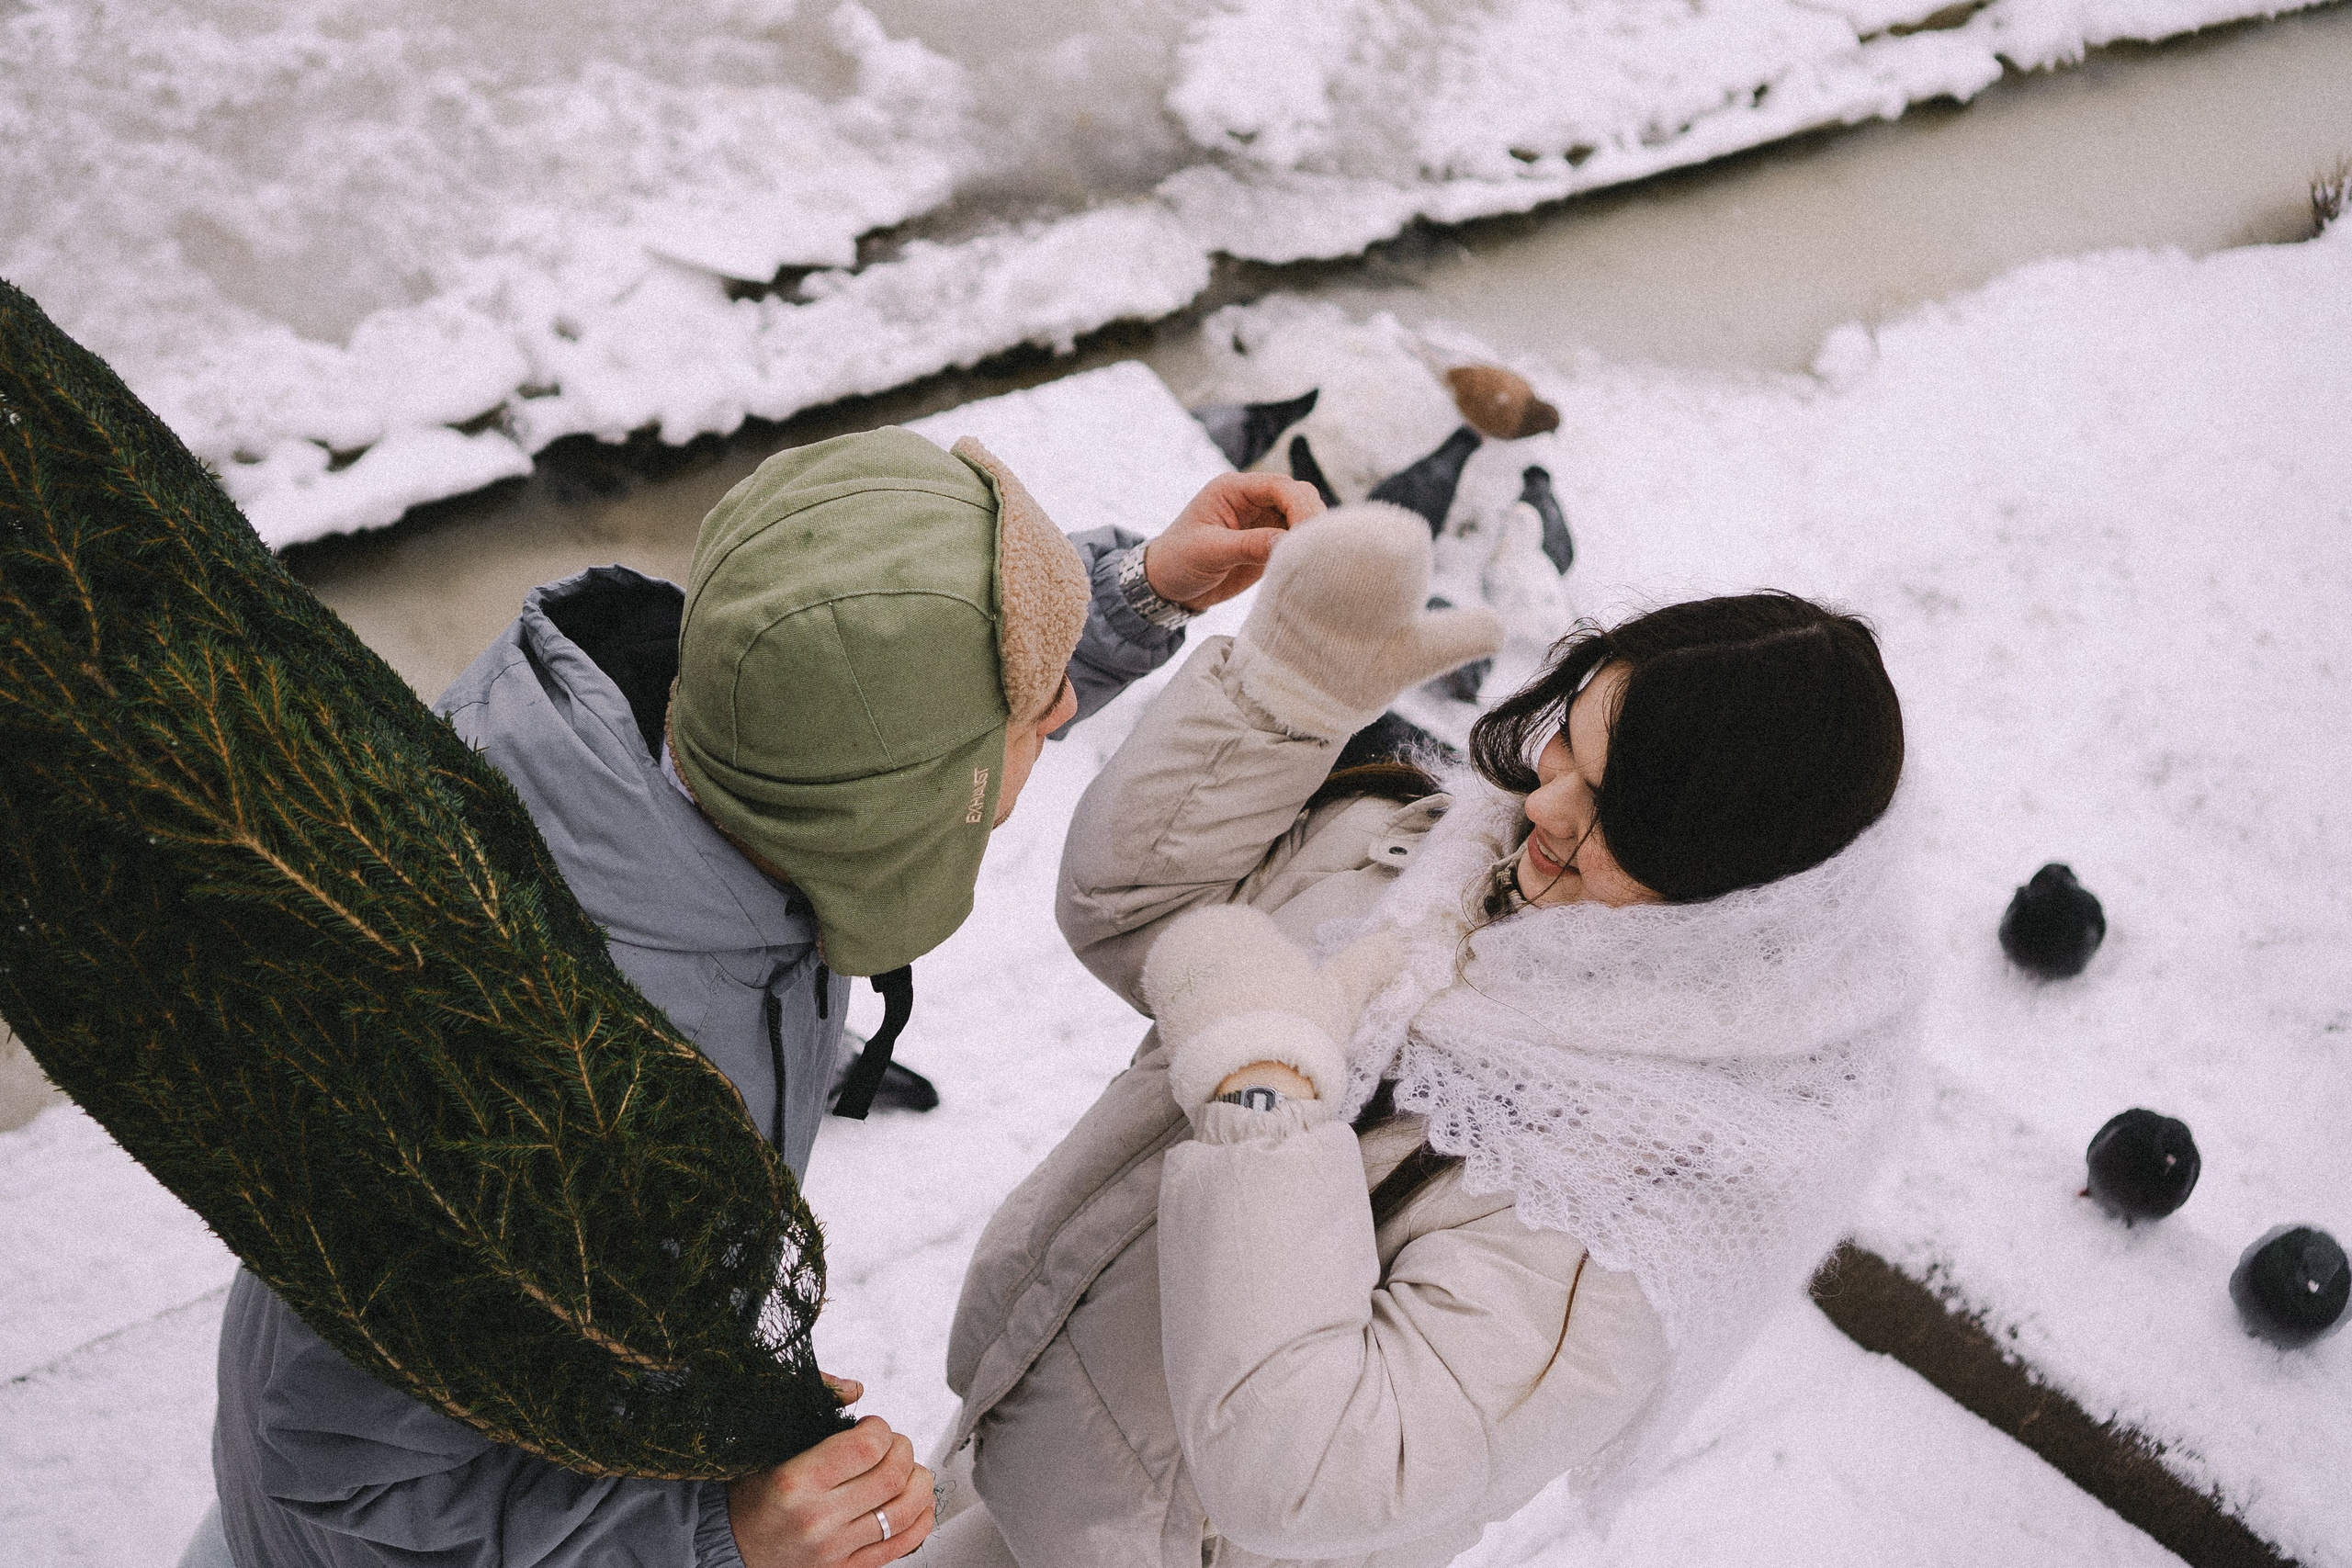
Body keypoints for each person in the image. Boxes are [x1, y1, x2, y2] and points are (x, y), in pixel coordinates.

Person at [195, 426, 1326, 1568]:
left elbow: (877, 652)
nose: (1065, 712)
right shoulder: (534, 1097)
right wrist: (715, 1536)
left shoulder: (709, 743)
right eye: (1034, 716)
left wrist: (1134, 590)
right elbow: (338, 1472)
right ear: (896, 810)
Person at [927, 502, 1922, 1568]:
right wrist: (1285, 694)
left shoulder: (1629, 1199)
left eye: (1616, 811)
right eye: (1567, 743)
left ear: (1735, 894)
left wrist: (1267, 1100)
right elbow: (1128, 911)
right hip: (1029, 1427)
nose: (1544, 806)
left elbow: (1317, 1475)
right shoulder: (1432, 859)